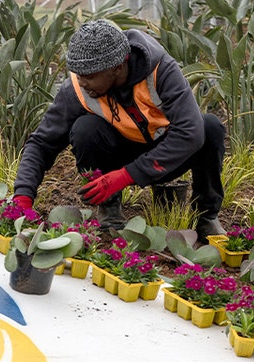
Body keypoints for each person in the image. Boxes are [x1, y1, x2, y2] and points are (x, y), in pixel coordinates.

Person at [12, 20, 227, 241]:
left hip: (166, 155)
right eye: (78, 74)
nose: (82, 82)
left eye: (90, 76)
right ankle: (110, 214)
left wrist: (127, 175)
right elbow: (41, 143)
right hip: (118, 159)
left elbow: (189, 133)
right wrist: (23, 196)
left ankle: (206, 217)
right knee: (85, 129)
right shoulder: (77, 87)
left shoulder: (160, 69)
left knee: (209, 127)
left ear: (117, 66)